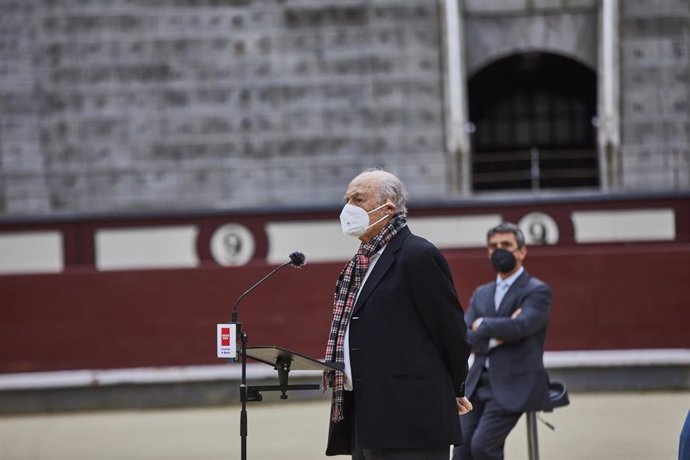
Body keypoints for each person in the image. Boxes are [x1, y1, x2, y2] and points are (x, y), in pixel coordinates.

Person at [323, 168, 473, 459]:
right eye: (346, 200)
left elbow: (451, 332)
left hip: (411, 417)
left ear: (388, 206)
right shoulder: (360, 263)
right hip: (364, 415)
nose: (347, 209)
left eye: (357, 199)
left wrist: (453, 388)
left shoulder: (418, 255)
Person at [453, 222, 552, 460]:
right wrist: (501, 332)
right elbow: (465, 336)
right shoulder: (482, 292)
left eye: (506, 245)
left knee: (483, 447)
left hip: (514, 383)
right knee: (461, 450)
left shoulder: (537, 290)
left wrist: (483, 325)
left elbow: (522, 326)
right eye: (493, 246)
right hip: (477, 383)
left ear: (521, 251)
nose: (499, 250)